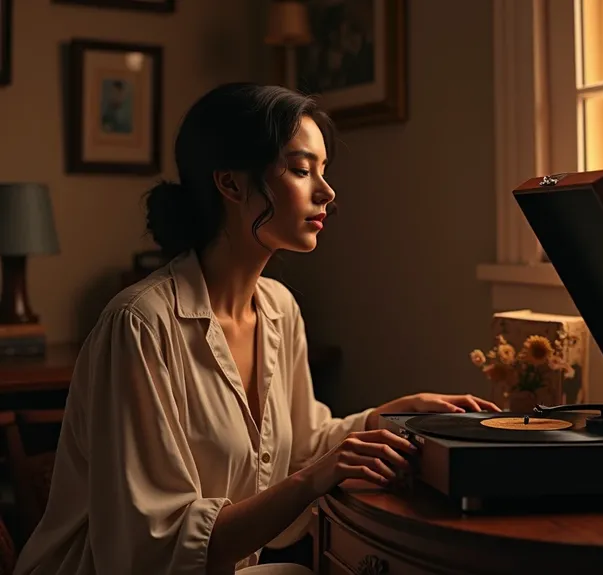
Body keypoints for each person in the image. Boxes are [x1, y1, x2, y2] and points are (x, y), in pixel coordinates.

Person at [13, 83, 498, 575]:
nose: (327, 192)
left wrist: (384, 417)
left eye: (323, 172)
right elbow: (153, 547)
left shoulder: (278, 308)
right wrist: (317, 477)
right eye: (301, 169)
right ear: (230, 184)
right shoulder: (140, 326)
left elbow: (301, 447)